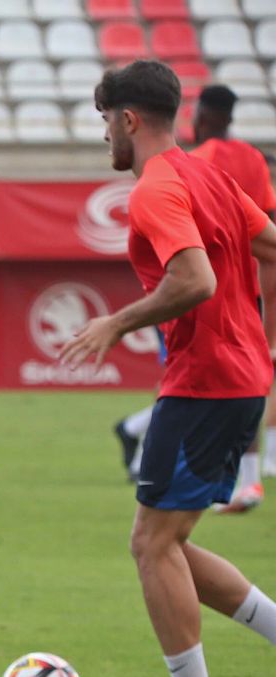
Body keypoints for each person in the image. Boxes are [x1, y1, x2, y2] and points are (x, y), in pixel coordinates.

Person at [61, 60, 276, 677]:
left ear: (128, 119)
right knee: (171, 540)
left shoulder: (155, 189)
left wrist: (115, 321)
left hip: (204, 381)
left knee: (151, 542)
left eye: (105, 123)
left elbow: (196, 278)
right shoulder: (212, 175)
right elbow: (269, 240)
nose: (104, 138)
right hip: (245, 379)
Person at [191, 84, 276, 513]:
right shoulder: (254, 160)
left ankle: (203, 481)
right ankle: (249, 481)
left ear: (202, 115)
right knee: (250, 384)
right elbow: (267, 232)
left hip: (208, 292)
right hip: (252, 292)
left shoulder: (196, 162)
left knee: (199, 385)